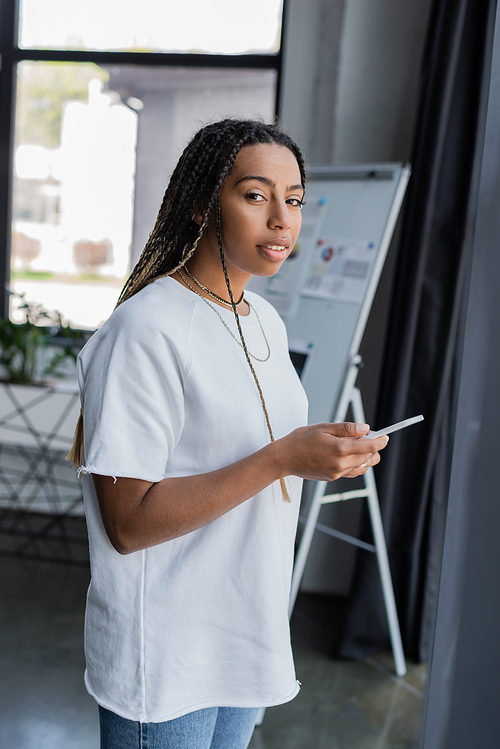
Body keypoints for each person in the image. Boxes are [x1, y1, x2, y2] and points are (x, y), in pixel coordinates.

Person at [68, 118, 388, 749]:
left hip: (242, 638)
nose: (281, 220)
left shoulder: (263, 320)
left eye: (293, 200)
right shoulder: (146, 330)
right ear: (199, 205)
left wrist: (318, 449)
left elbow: (247, 443)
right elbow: (127, 523)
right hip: (165, 654)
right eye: (255, 195)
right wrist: (282, 458)